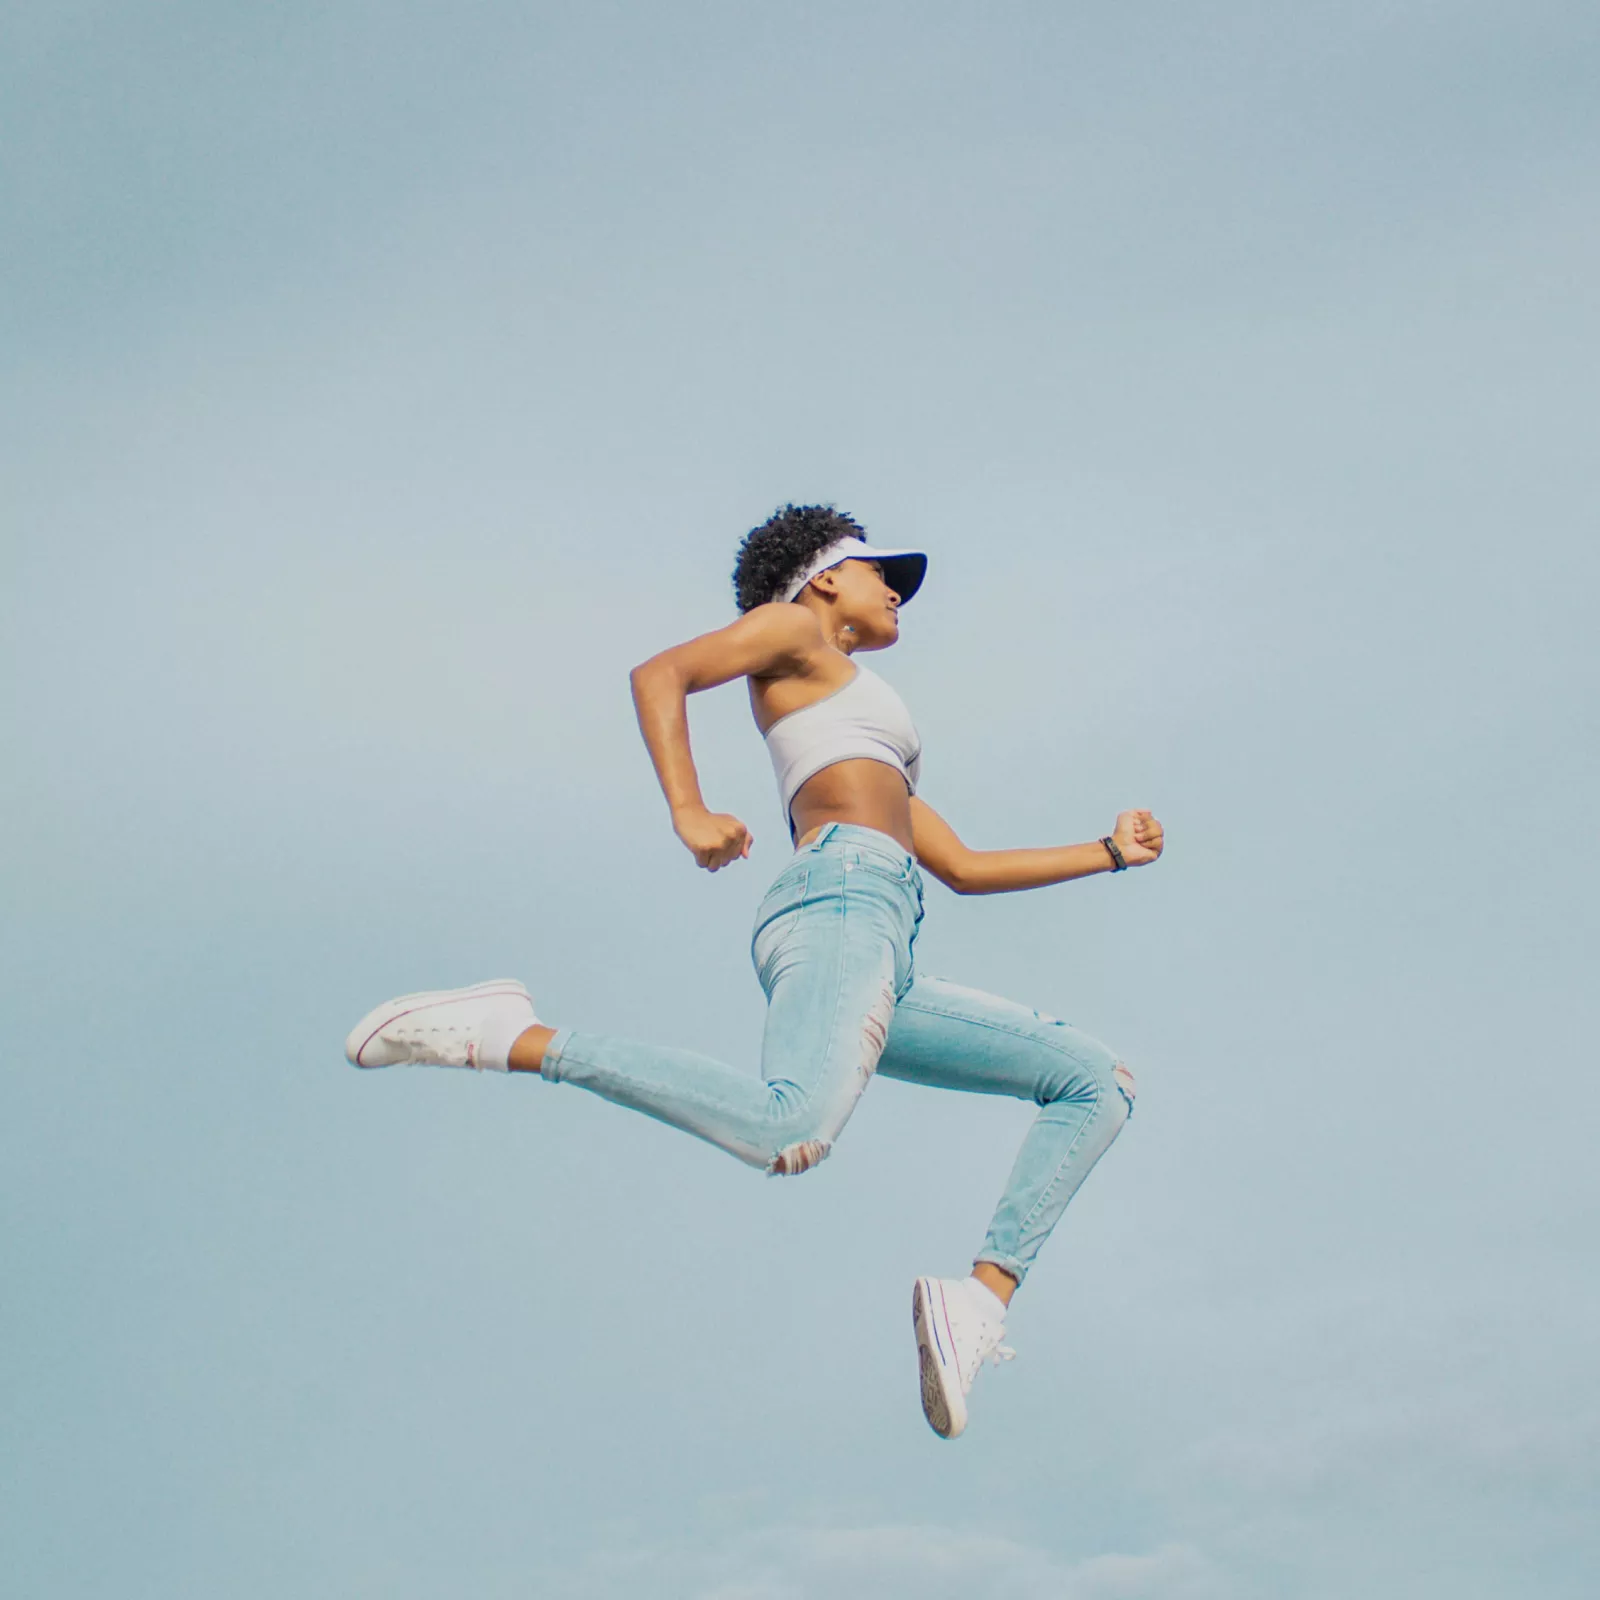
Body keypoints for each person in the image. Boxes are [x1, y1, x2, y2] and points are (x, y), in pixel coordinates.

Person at [344, 504, 1164, 1440]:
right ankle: (508, 1035)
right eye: (877, 571)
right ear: (822, 580)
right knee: (790, 1129)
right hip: (842, 900)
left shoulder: (863, 724)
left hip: (886, 934)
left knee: (1095, 1083)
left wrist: (1107, 850)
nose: (895, 588)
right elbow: (662, 673)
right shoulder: (793, 627)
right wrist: (688, 811)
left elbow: (966, 868)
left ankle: (978, 1302)